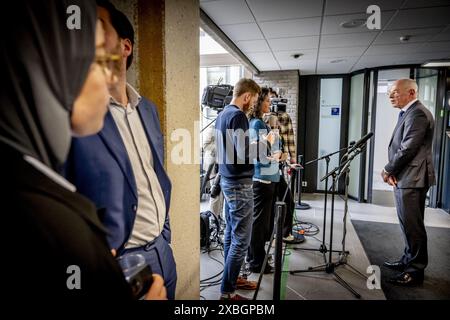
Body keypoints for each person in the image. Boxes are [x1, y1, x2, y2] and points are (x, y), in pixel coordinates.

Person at [0, 0, 166, 299]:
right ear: (54, 67)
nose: (111, 77)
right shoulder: (49, 222)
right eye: (98, 61)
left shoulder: (37, 183)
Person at [65, 1, 177, 299]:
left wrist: (165, 236)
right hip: (120, 262)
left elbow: (156, 176)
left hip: (163, 252)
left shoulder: (148, 109)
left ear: (124, 47)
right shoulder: (77, 115)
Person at [382, 79, 435, 286]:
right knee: (407, 223)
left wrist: (388, 169)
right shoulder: (408, 112)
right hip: (407, 176)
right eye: (390, 94)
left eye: (395, 92)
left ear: (411, 92)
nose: (391, 97)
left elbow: (408, 148)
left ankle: (415, 271)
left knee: (413, 226)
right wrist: (396, 172)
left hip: (413, 178)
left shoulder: (418, 113)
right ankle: (407, 259)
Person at [215, 78, 260, 300]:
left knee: (231, 235)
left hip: (227, 180)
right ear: (247, 96)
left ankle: (232, 279)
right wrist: (265, 144)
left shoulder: (222, 115)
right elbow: (243, 155)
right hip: (239, 184)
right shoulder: (238, 116)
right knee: (241, 239)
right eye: (254, 100)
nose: (253, 104)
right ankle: (228, 292)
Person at [247, 87, 281, 274]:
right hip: (262, 180)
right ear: (259, 102)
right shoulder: (257, 124)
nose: (270, 104)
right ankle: (256, 262)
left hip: (267, 179)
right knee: (259, 225)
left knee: (262, 224)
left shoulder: (260, 123)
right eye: (267, 100)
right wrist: (274, 156)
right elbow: (258, 154)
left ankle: (256, 257)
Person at [266, 88, 301, 244]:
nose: (272, 104)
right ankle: (271, 236)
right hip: (266, 168)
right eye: (269, 101)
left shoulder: (285, 117)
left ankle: (285, 233)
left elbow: (289, 138)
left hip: (279, 165)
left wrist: (292, 159)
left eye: (274, 100)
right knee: (271, 203)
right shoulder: (261, 120)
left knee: (287, 200)